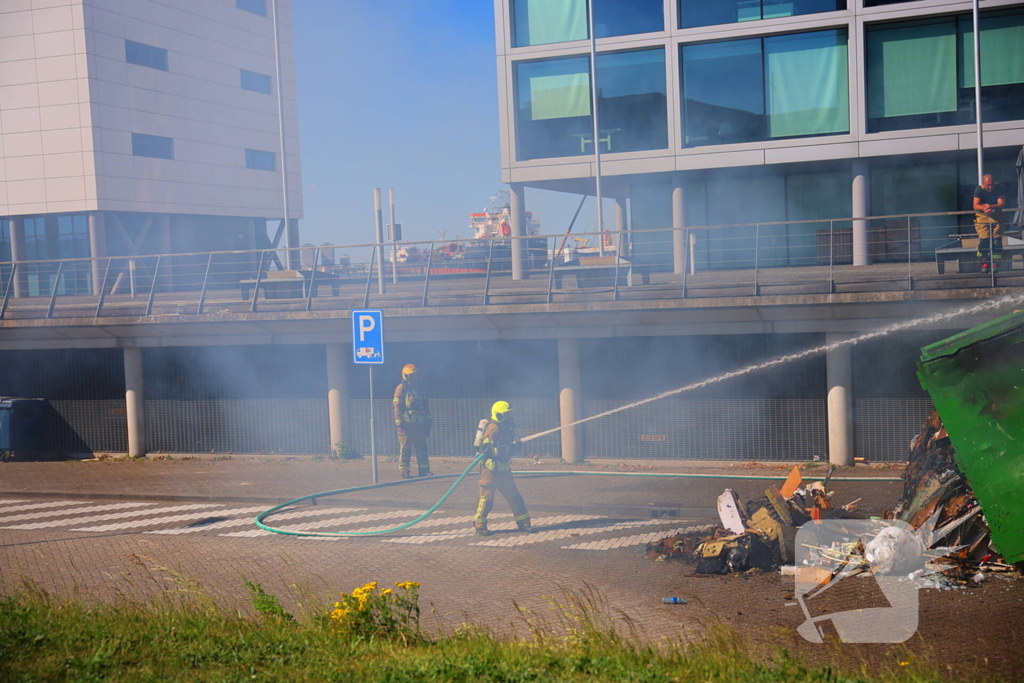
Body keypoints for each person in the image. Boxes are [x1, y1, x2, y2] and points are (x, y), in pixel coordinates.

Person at [473, 400, 532, 536]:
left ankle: (524, 523)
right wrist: (503, 450)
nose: (511, 416)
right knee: (486, 499)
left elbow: (514, 441)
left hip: (504, 470)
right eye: (508, 414)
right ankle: (479, 525)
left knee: (515, 497)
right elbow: (486, 450)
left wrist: (516, 445)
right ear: (499, 415)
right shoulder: (493, 428)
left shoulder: (507, 427)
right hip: (490, 471)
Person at [393, 363, 432, 478]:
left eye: (416, 374)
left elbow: (425, 405)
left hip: (419, 421)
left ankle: (424, 470)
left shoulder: (420, 388)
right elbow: (397, 406)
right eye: (413, 375)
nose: (416, 377)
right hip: (406, 422)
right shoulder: (401, 388)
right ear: (407, 376)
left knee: (422, 447)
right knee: (406, 447)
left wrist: (428, 421)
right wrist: (399, 422)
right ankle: (404, 471)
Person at [974, 174, 1007, 273]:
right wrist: (984, 208)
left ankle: (995, 263)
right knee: (984, 240)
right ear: (983, 184)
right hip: (982, 217)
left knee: (997, 241)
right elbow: (975, 205)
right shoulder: (979, 190)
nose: (990, 187)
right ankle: (984, 263)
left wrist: (992, 206)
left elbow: (1001, 202)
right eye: (988, 185)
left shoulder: (1000, 188)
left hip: (997, 215)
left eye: (992, 184)